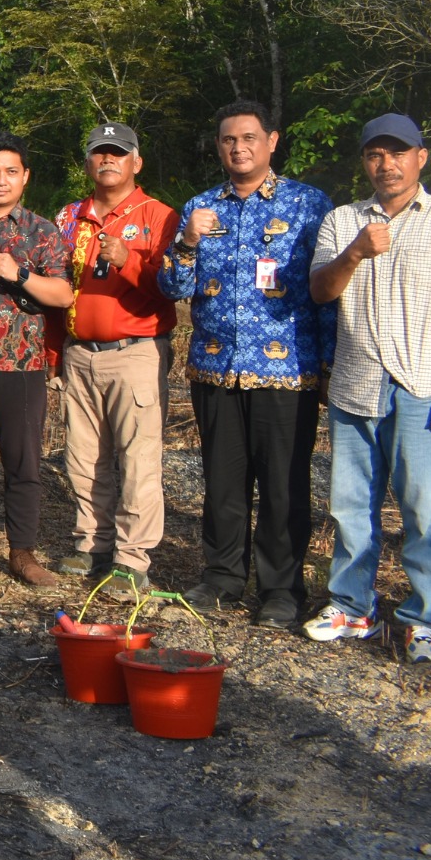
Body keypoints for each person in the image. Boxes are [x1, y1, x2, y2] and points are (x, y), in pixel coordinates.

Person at [156, 102, 332, 629]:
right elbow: (173, 288)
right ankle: (222, 577)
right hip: (215, 367)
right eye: (229, 140)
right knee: (223, 484)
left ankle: (281, 589)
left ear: (272, 141)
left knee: (283, 485)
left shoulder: (308, 205)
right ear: (218, 147)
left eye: (250, 138)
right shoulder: (201, 207)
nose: (239, 148)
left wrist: (327, 365)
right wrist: (188, 239)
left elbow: (326, 293)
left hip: (285, 369)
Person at [304, 114, 431, 662]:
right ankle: (351, 607)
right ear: (365, 163)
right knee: (351, 505)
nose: (387, 164)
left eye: (398, 153)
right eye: (375, 155)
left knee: (424, 510)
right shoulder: (342, 220)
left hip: (422, 385)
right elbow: (319, 291)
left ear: (420, 158)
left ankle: (424, 618)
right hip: (356, 383)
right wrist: (355, 251)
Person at [53, 121, 178, 600]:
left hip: (135, 353)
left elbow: (172, 289)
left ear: (136, 162)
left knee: (138, 459)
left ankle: (131, 559)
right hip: (79, 352)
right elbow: (54, 287)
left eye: (118, 153)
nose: (108, 160)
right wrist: (53, 352)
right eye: (99, 153)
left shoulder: (160, 216)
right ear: (87, 161)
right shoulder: (69, 216)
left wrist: (128, 258)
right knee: (83, 456)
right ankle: (92, 543)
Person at [0, 133, 73, 587]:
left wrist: (20, 274)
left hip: (20, 363)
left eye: (10, 171)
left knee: (22, 463)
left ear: (25, 176)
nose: (0, 181)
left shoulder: (42, 231)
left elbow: (62, 294)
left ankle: (22, 551)